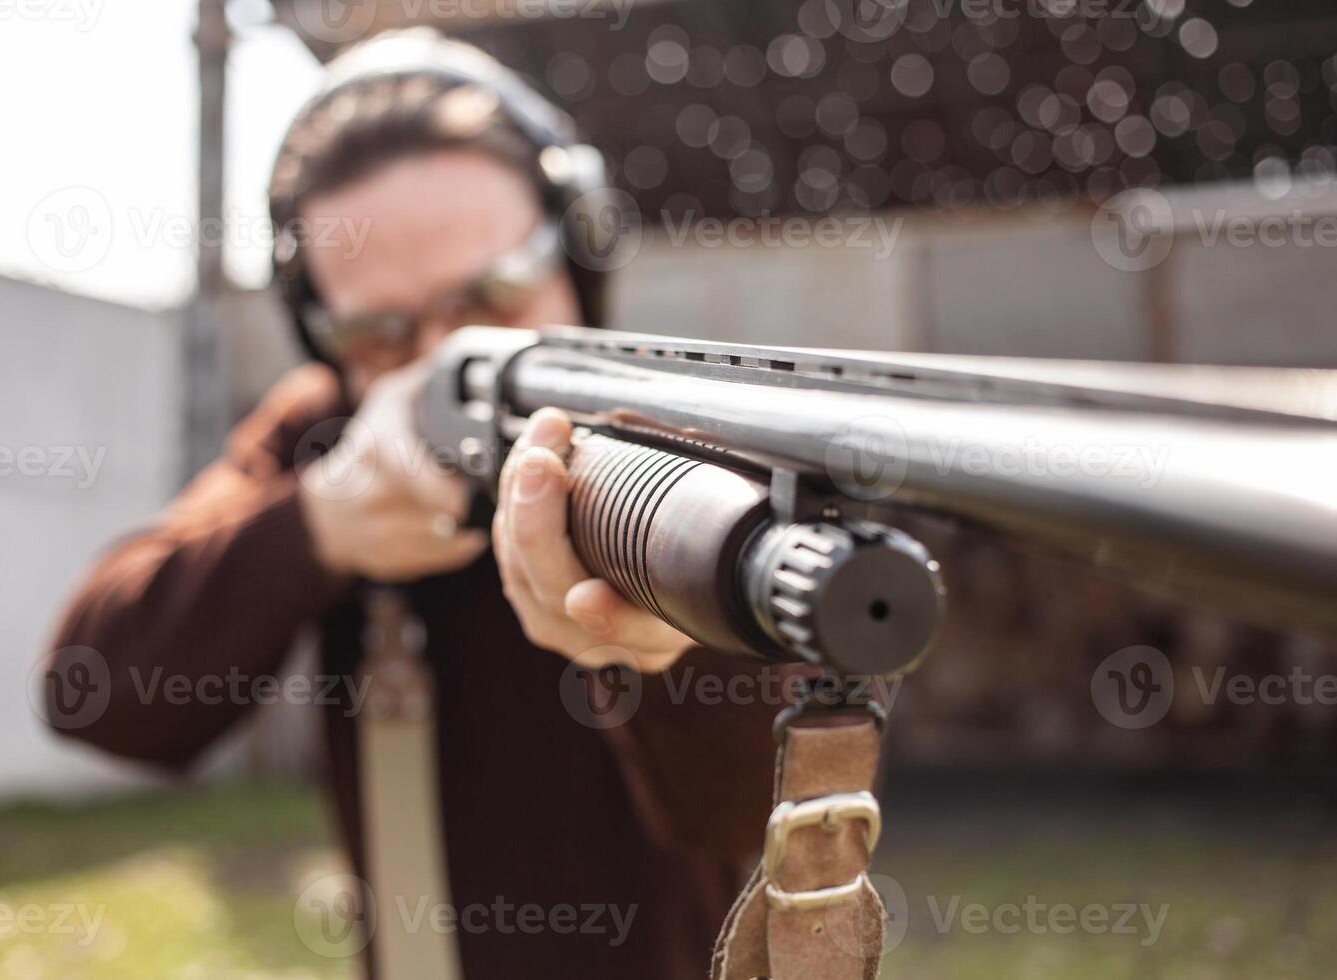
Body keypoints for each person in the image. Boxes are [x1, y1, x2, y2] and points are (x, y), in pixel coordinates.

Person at [40, 29, 783, 980]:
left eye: (496, 291)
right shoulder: (321, 437)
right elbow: (93, 688)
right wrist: (315, 528)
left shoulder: (662, 429)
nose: (444, 353)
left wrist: (666, 637)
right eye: (379, 330)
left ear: (581, 253)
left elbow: (760, 809)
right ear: (322, 336)